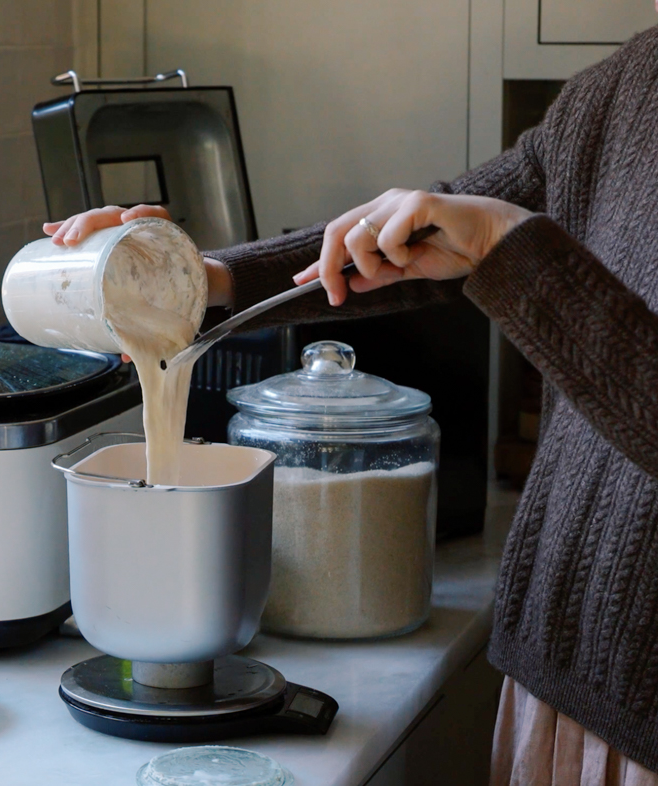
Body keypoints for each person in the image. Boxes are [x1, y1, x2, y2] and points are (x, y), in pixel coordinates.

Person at [42, 21, 658, 785]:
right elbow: (425, 238)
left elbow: (495, 241)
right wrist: (195, 282)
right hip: (559, 678)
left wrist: (510, 246)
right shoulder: (629, 83)